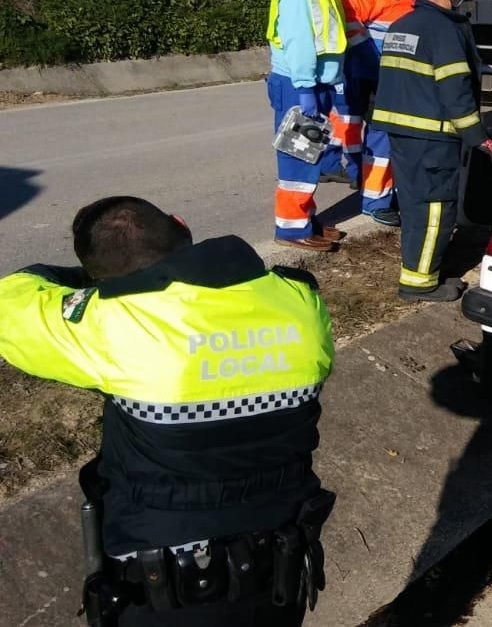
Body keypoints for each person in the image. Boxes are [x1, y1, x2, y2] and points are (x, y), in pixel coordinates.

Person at [0, 196, 335, 626]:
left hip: (161, 586)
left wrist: (94, 278)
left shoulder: (112, 324)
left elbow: (12, 301)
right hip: (279, 569)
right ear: (181, 225)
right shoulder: (299, 301)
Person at [371, 0, 492, 301]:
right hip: (433, 137)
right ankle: (420, 284)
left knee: (415, 207)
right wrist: (480, 138)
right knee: (435, 209)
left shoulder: (403, 24)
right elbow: (456, 91)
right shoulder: (445, 31)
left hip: (403, 135)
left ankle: (416, 271)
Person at [339, 0, 432, 227]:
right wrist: (374, 65)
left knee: (389, 138)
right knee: (380, 139)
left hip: (394, 76)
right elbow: (351, 24)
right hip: (375, 75)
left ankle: (383, 194)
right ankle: (375, 202)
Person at [266, 0, 347, 252]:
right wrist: (305, 88)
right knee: (298, 159)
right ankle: (291, 230)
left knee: (308, 155)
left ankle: (305, 221)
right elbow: (300, 43)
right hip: (301, 84)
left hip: (314, 82)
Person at [323, 0, 388, 187]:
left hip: (366, 44)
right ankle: (348, 168)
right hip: (349, 47)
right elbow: (340, 12)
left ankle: (341, 163)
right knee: (348, 110)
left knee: (352, 110)